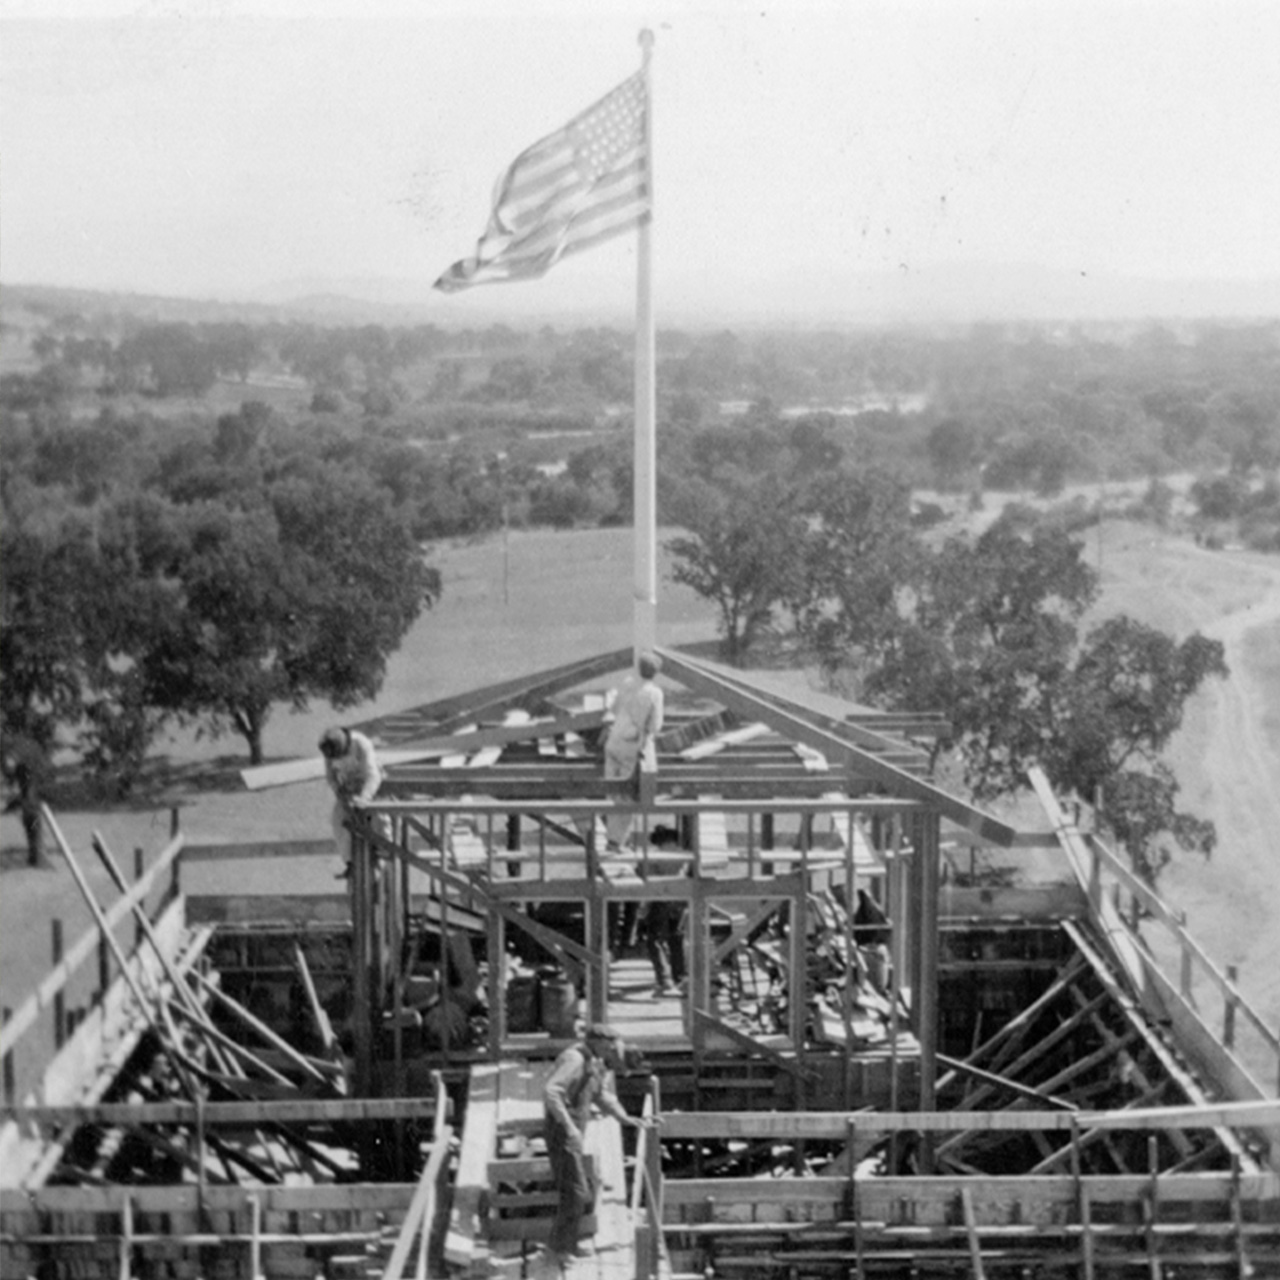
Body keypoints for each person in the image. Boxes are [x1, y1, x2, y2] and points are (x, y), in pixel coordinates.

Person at [540, 1023, 650, 1272]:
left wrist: (625, 1118)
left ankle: (564, 1243)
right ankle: (560, 1249)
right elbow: (552, 1091)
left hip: (574, 1132)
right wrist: (569, 1128)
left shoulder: (595, 1062)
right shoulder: (575, 1059)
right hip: (562, 1133)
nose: (613, 1053)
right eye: (612, 1048)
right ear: (600, 1042)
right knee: (577, 1192)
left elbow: (602, 1095)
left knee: (579, 1191)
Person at [602, 652, 664, 851]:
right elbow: (655, 726)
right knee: (628, 796)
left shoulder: (627, 683)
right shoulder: (654, 693)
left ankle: (615, 838)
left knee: (613, 793)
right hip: (630, 746)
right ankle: (616, 842)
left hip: (613, 742)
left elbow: (613, 707)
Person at [319, 726, 383, 879]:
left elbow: (373, 775)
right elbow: (331, 777)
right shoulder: (329, 751)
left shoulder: (361, 744)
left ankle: (382, 856)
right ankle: (350, 862)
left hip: (372, 788)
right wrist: (340, 793)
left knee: (380, 819)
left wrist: (364, 798)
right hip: (349, 789)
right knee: (338, 820)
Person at [639, 825, 687, 996]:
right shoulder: (684, 854)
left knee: (655, 940)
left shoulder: (654, 856)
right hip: (680, 899)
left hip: (661, 899)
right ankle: (680, 977)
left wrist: (644, 906)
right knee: (676, 939)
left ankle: (664, 980)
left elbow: (650, 884)